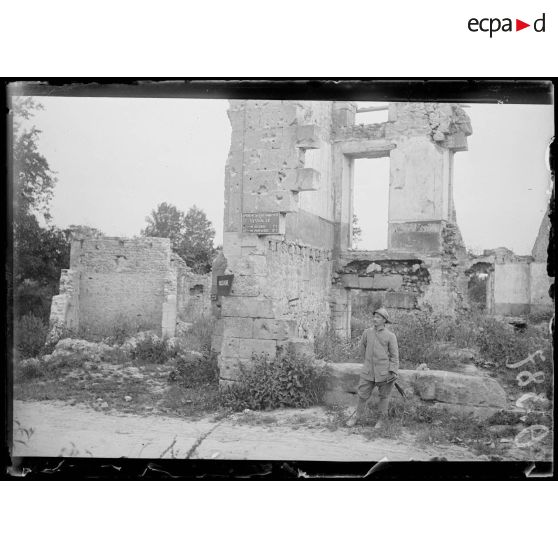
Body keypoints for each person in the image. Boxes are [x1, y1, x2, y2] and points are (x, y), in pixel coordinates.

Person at [346, 307, 399, 429]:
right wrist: (368, 363)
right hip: (368, 371)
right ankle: (356, 417)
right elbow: (362, 349)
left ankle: (381, 420)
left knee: (384, 396)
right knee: (362, 394)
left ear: (384, 320)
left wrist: (392, 371)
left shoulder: (390, 336)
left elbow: (395, 356)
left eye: (378, 317)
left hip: (384, 372)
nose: (375, 319)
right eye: (374, 316)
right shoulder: (367, 333)